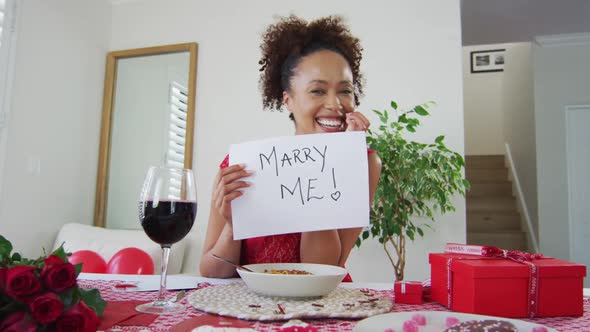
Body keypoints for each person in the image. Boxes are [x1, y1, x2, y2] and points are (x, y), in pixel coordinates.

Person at [199, 15, 381, 278]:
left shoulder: (364, 165)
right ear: (288, 101)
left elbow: (323, 270)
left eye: (345, 90)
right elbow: (211, 272)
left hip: (321, 308)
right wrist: (232, 225)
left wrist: (336, 161)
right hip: (250, 306)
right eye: (318, 91)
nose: (336, 104)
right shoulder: (240, 166)